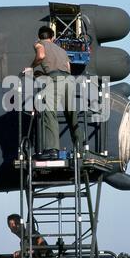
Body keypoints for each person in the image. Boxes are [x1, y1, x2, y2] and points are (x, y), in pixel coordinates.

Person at [24, 26, 82, 160]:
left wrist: (31, 67)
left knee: (49, 112)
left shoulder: (39, 44)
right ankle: (80, 148)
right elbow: (68, 68)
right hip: (69, 81)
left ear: (39, 37)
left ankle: (52, 150)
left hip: (55, 79)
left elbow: (41, 55)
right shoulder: (62, 50)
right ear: (53, 38)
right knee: (72, 115)